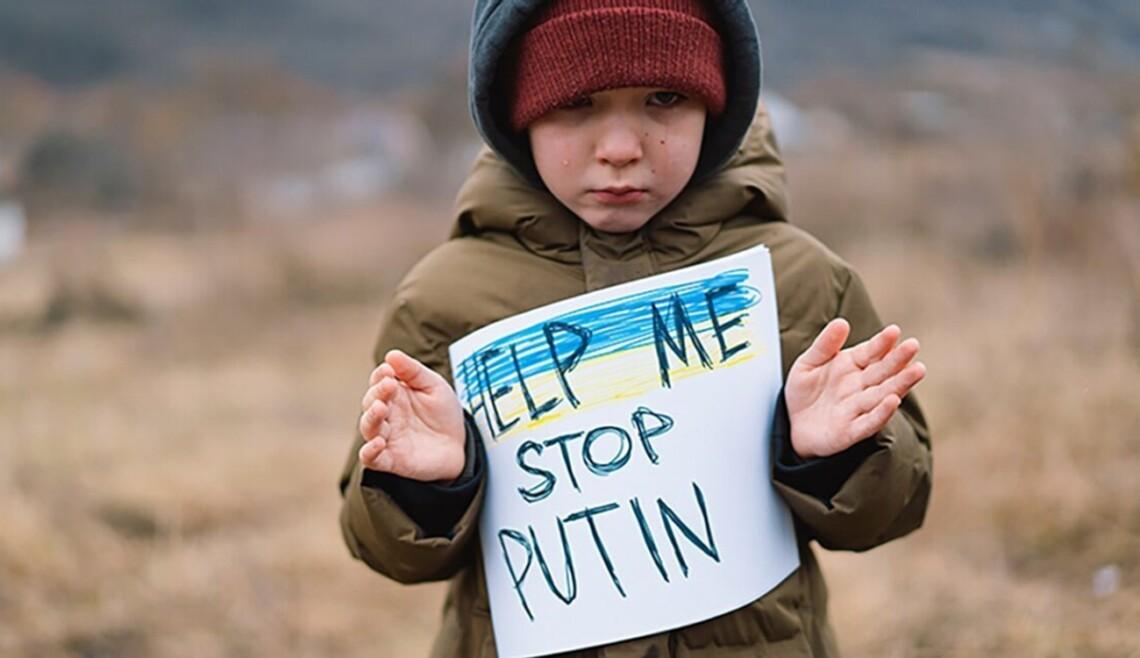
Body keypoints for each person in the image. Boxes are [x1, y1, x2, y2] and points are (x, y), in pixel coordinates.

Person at [337, 0, 932, 655]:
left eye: (665, 98)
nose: (620, 149)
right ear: (516, 113)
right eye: (576, 103)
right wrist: (424, 488)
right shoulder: (442, 300)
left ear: (718, 104)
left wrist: (832, 457)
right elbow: (387, 550)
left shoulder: (801, 283)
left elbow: (896, 507)